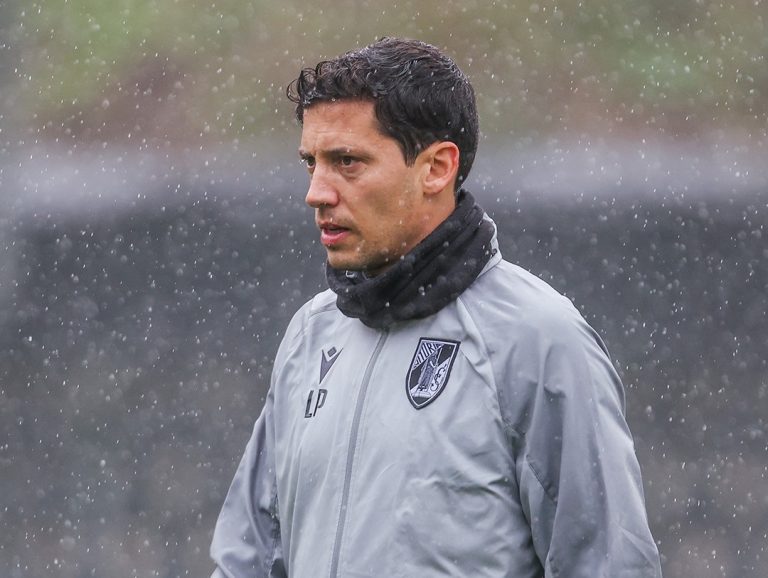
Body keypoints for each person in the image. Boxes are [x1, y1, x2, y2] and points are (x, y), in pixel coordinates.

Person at [210, 37, 662, 578]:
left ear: (436, 169)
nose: (317, 192)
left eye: (347, 162)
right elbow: (249, 560)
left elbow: (609, 564)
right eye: (312, 163)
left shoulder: (538, 338)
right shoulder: (311, 334)